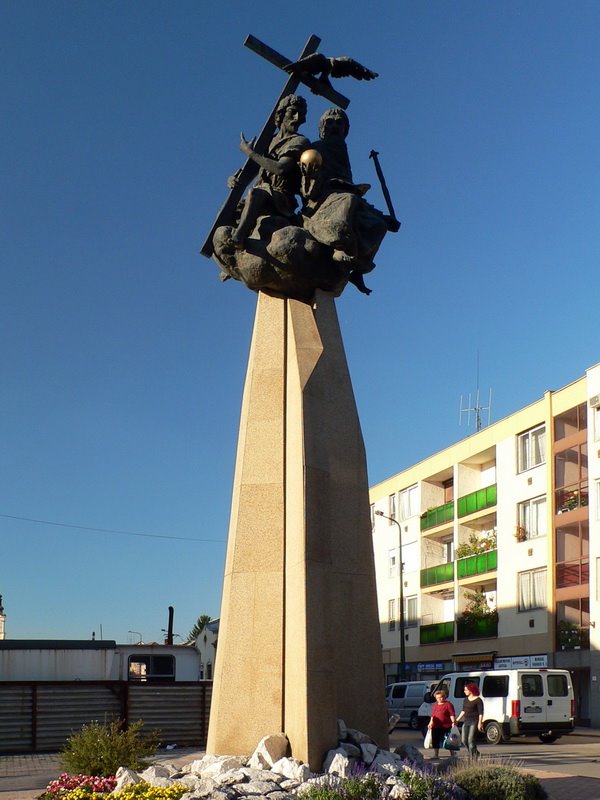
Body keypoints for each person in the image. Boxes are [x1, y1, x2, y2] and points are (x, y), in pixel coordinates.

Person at [300, 107, 399, 294]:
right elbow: (308, 186)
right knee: (350, 200)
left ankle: (359, 269)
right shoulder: (317, 148)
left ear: (345, 129)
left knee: (379, 225)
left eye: (339, 123)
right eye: (330, 122)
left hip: (345, 197)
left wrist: (385, 217)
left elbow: (350, 190)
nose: (335, 126)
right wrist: (311, 177)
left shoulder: (342, 150)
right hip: (322, 200)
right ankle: (340, 246)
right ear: (322, 128)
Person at [229, 94, 310, 249]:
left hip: (281, 196)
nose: (297, 117)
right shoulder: (268, 141)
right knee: (231, 209)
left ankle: (238, 237)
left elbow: (280, 168)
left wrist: (250, 152)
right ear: (281, 114)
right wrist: (234, 179)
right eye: (292, 112)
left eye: (301, 114)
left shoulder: (299, 141)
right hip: (262, 191)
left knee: (255, 193)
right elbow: (253, 169)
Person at [456, 682, 484, 758]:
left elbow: (480, 713)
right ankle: (475, 752)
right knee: (464, 740)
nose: (464, 691)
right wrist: (457, 720)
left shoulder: (478, 700)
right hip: (466, 721)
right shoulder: (465, 700)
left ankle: (473, 756)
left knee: (470, 740)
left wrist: (480, 723)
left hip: (474, 721)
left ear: (471, 690)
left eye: (466, 690)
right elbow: (463, 711)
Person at [427, 688, 456, 759]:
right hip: (436, 725)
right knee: (435, 740)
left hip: (446, 726)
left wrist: (453, 722)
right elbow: (433, 716)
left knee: (448, 740)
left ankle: (452, 754)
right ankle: (436, 754)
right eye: (437, 698)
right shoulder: (435, 705)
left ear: (444, 696)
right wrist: (430, 723)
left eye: (441, 697)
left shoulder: (448, 704)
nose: (439, 699)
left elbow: (452, 714)